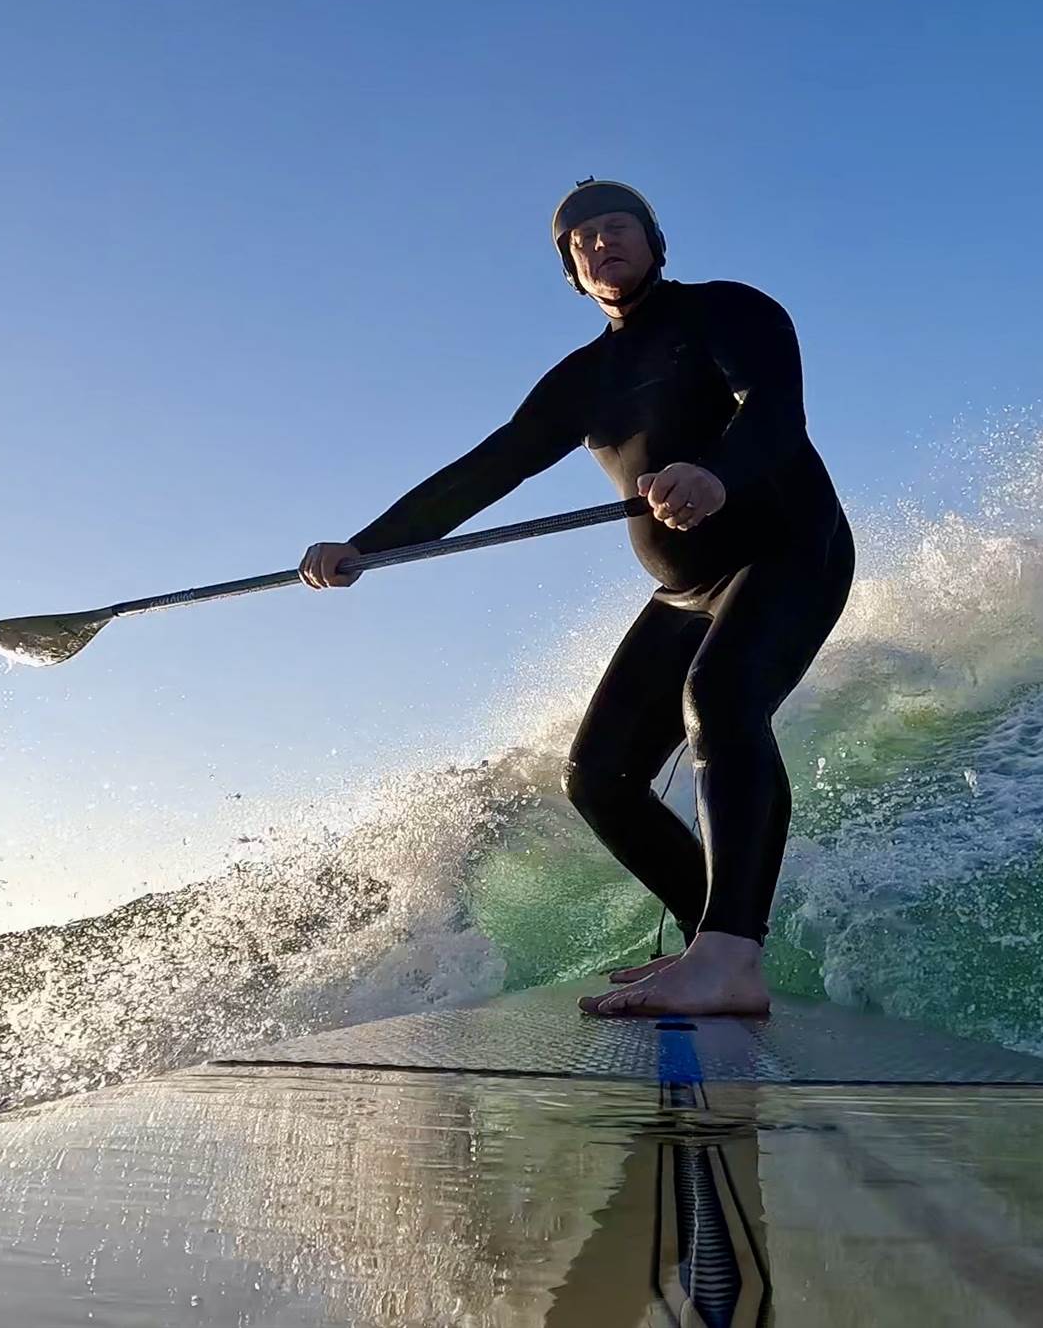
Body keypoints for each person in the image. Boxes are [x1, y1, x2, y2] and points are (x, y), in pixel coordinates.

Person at [300, 180, 853, 1017]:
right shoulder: (583, 379)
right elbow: (489, 470)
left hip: (788, 547)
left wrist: (717, 472)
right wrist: (368, 544)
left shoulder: (727, 310)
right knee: (599, 776)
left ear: (653, 240)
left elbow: (775, 411)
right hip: (686, 590)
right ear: (572, 272)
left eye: (616, 226)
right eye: (581, 240)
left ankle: (730, 955)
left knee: (720, 695)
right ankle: (707, 942)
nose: (601, 243)